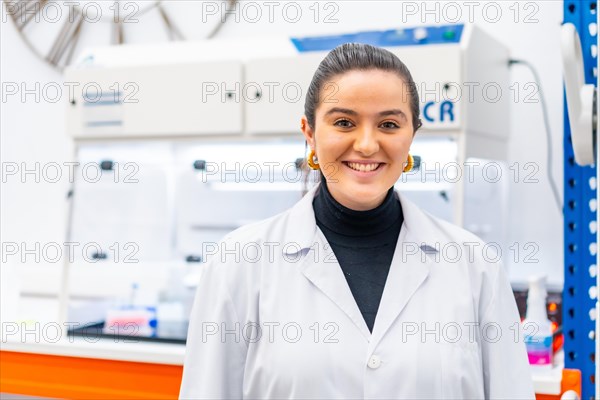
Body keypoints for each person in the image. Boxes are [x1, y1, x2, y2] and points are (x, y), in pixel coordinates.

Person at [179, 43, 535, 399]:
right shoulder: (238, 263)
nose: (366, 144)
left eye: (389, 124)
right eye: (344, 122)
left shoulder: (475, 266)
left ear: (412, 135)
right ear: (310, 133)